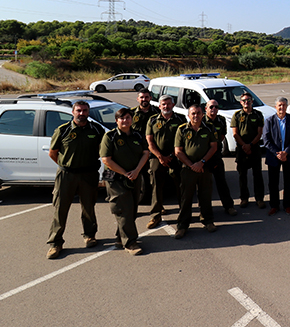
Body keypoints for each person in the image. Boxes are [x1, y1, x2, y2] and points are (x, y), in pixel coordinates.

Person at [46, 100, 106, 259]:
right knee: (61, 209)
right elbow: (53, 153)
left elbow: (105, 151)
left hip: (89, 175)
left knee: (88, 207)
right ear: (73, 112)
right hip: (67, 175)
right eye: (78, 110)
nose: (82, 113)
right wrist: (66, 166)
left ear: (88, 112)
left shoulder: (96, 129)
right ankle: (55, 243)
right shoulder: (63, 130)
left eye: (85, 110)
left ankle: (89, 235)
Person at [100, 108, 150, 255]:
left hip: (134, 176)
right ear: (116, 121)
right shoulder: (110, 137)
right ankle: (130, 242)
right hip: (115, 178)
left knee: (132, 208)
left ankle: (119, 237)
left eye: (128, 118)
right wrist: (125, 173)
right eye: (122, 118)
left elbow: (145, 153)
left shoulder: (138, 135)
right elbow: (106, 160)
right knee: (124, 209)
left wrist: (136, 171)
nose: (125, 121)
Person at [173, 104, 218, 239]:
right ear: (188, 115)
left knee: (205, 195)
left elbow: (213, 147)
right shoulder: (181, 130)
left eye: (198, 113)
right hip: (188, 169)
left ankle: (208, 221)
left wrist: (201, 162)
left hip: (204, 168)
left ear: (202, 114)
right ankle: (182, 225)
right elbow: (178, 151)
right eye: (193, 113)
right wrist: (192, 165)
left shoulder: (209, 128)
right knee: (186, 197)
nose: (196, 115)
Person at [145, 95, 186, 229]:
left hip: (176, 157)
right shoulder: (152, 120)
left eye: (168, 104)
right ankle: (156, 216)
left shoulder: (180, 119)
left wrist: (171, 156)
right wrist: (161, 157)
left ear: (173, 105)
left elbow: (184, 140)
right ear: (159, 106)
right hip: (158, 157)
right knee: (156, 185)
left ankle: (184, 214)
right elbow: (150, 142)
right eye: (163, 104)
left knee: (180, 185)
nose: (166, 106)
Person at [262, 97, 290, 216]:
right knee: (273, 183)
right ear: (275, 107)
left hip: (289, 156)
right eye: (279, 105)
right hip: (274, 156)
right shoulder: (269, 121)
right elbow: (266, 139)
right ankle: (274, 206)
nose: (281, 107)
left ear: (286, 106)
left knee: (288, 182)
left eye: (284, 105)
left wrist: (286, 152)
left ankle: (288, 205)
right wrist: (278, 153)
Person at [231, 92, 266, 209]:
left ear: (252, 101)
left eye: (249, 100)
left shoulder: (258, 114)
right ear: (241, 102)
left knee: (258, 175)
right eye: (244, 100)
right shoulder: (236, 115)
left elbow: (259, 133)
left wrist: (250, 145)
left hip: (254, 148)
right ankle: (244, 198)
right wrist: (244, 146)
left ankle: (259, 199)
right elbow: (235, 134)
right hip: (241, 150)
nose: (247, 102)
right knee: (242, 176)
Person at [203, 100, 237, 217]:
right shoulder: (201, 121)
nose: (214, 109)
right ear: (206, 108)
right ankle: (204, 211)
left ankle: (229, 206)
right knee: (204, 186)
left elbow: (222, 136)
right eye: (211, 107)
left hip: (216, 156)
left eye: (216, 107)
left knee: (222, 183)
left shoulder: (221, 120)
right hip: (204, 157)